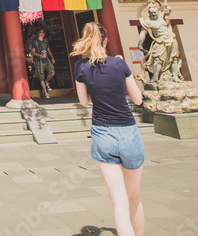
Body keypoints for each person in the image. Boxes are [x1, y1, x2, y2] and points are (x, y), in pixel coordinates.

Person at [71, 22, 145, 236]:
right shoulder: (119, 64)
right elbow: (138, 99)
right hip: (128, 130)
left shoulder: (81, 67)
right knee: (134, 196)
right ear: (105, 41)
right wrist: (122, 70)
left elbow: (84, 102)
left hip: (103, 132)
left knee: (119, 203)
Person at [30, 27, 56, 98]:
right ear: (40, 34)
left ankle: (46, 82)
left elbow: (48, 50)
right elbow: (33, 52)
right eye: (43, 32)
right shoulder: (35, 42)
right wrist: (40, 55)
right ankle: (45, 92)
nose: (44, 33)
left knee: (52, 72)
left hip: (46, 59)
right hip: (39, 61)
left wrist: (52, 58)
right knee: (41, 77)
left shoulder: (45, 41)